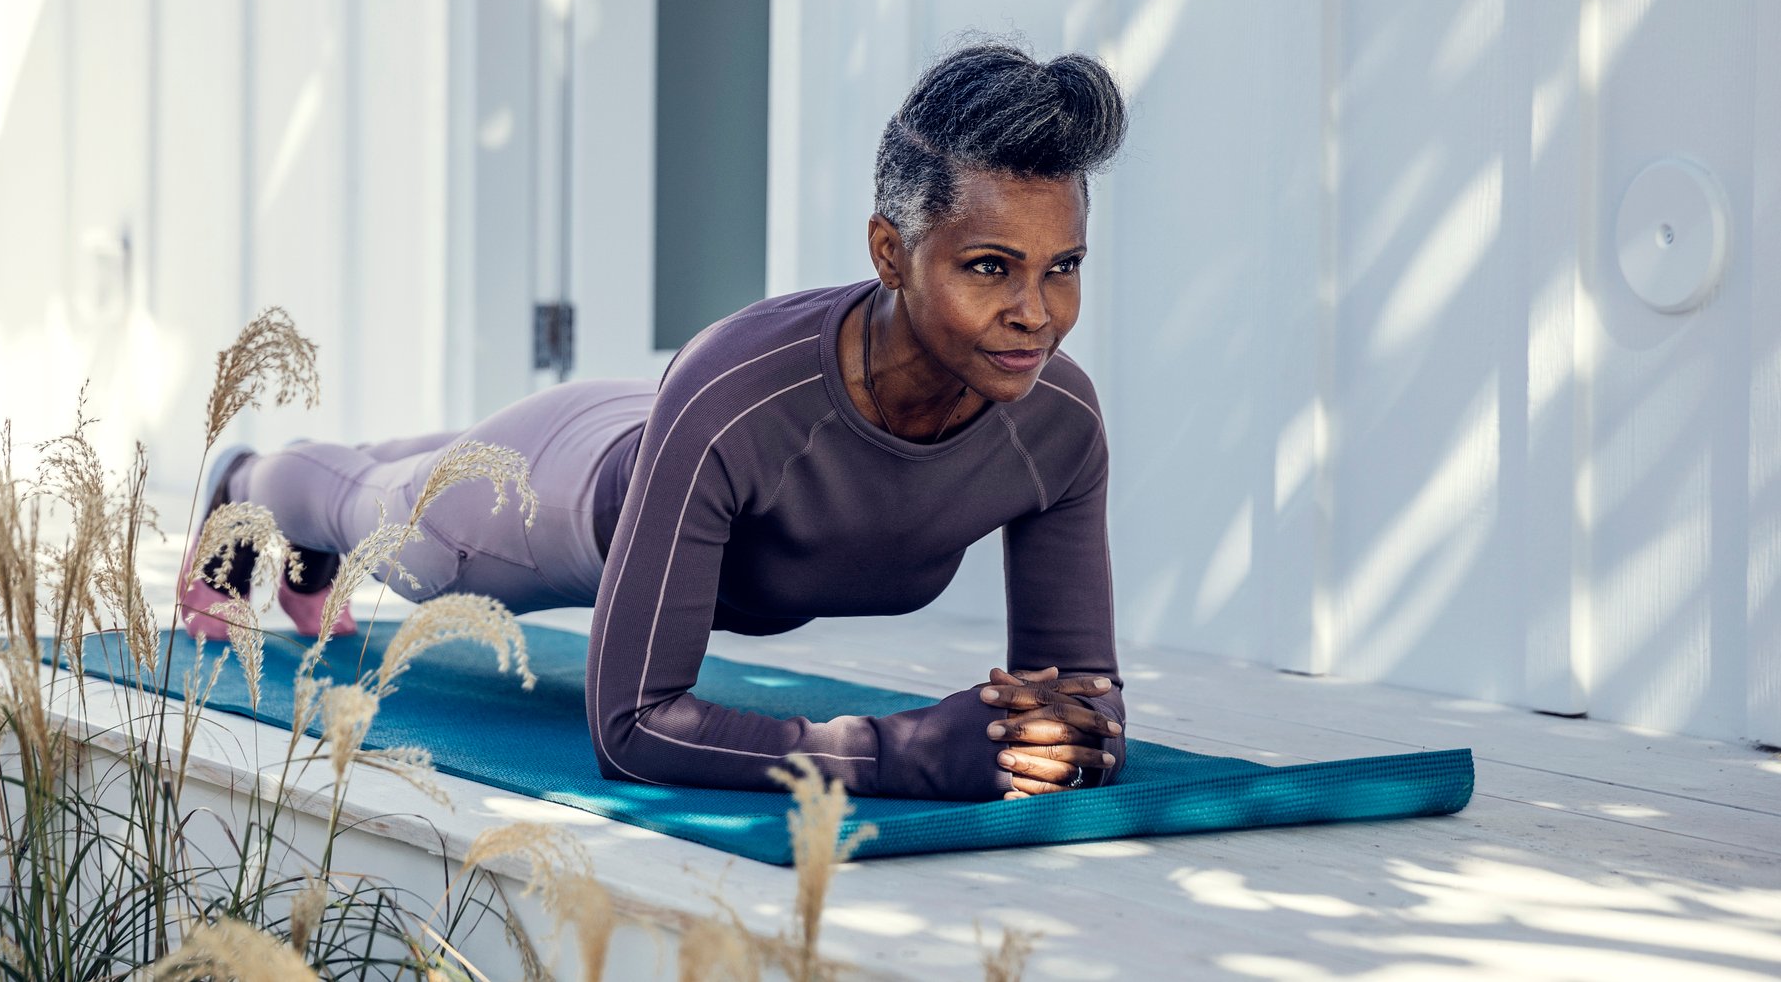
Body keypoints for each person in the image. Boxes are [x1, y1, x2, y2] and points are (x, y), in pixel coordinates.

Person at [180, 39, 1129, 802]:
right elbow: (632, 729)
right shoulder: (740, 395)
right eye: (988, 266)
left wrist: (1057, 738)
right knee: (382, 513)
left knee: (408, 467)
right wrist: (903, 753)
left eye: (1063, 266)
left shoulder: (1056, 425)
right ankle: (245, 483)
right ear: (891, 252)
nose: (1035, 312)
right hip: (557, 490)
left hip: (673, 432)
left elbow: (1083, 705)